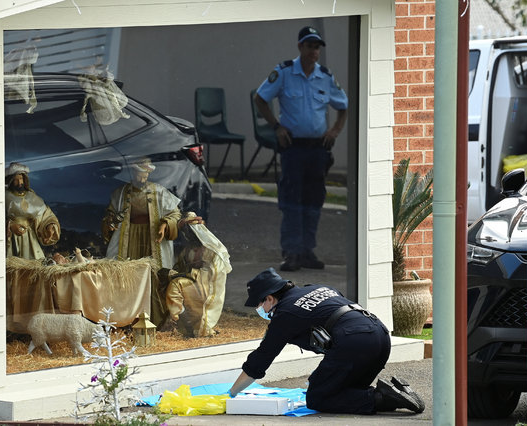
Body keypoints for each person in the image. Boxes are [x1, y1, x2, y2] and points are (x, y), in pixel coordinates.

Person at [228, 268, 425, 415]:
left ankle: (384, 398)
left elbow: (261, 358)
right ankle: (398, 392)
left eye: (259, 303)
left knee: (318, 398)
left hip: (355, 342)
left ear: (269, 298)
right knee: (344, 391)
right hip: (380, 335)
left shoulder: (285, 313)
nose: (259, 309)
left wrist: (232, 394)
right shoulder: (317, 288)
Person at [254, 26, 348, 272]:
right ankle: (292, 253)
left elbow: (343, 105)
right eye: (309, 46)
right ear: (300, 47)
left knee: (313, 201)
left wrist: (335, 130)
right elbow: (260, 99)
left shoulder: (325, 77)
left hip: (318, 150)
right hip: (293, 148)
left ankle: (307, 251)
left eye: (317, 47)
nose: (313, 51)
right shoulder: (284, 72)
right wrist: (276, 127)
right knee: (292, 202)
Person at [101, 158, 182, 269]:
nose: (143, 180)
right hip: (129, 236)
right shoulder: (120, 194)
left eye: (145, 176)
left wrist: (165, 224)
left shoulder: (159, 192)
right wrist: (111, 222)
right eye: (140, 176)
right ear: (133, 173)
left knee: (152, 269)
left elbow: (175, 213)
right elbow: (110, 214)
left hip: (151, 235)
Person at [5, 162, 60, 260]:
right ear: (11, 181)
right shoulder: (4, 196)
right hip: (11, 239)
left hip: (29, 239)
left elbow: (44, 215)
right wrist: (10, 226)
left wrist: (49, 225)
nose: (19, 183)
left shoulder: (31, 197)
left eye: (21, 179)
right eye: (16, 180)